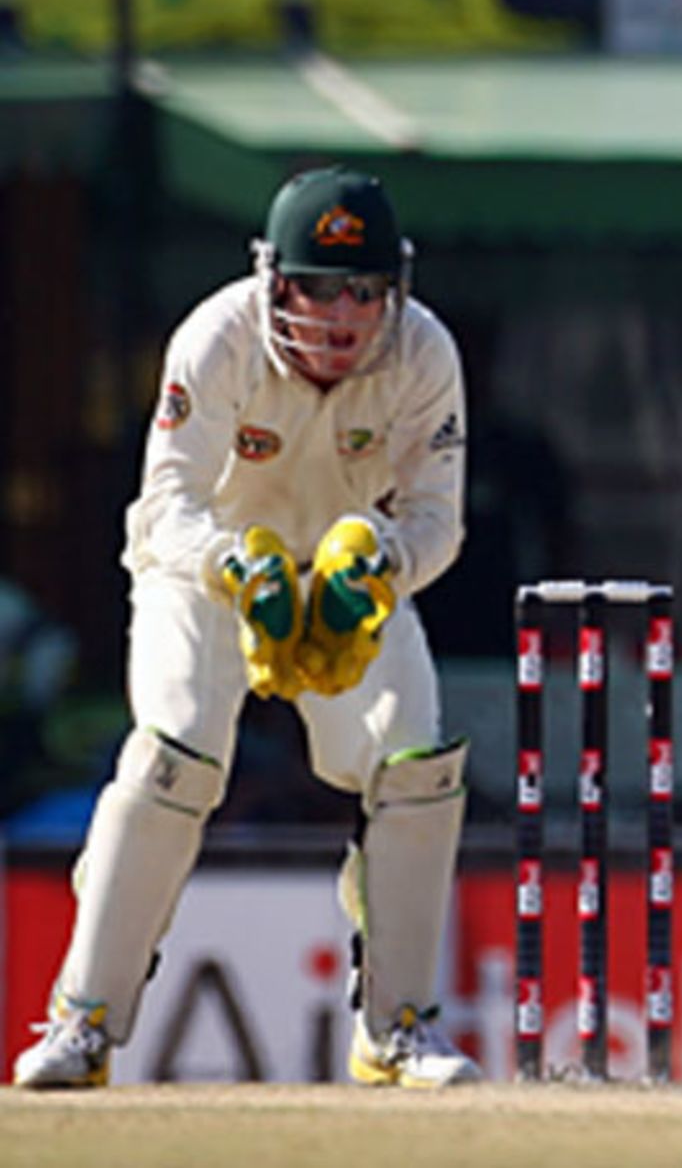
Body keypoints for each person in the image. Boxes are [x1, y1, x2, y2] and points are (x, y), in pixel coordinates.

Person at [13, 165, 481, 1090]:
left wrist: (379, 563)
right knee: (173, 759)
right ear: (275, 280)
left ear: (396, 288)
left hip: (347, 571)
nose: (342, 316)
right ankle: (85, 1022)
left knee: (417, 767)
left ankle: (397, 1024)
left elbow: (440, 519)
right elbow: (171, 497)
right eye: (319, 287)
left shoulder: (423, 352)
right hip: (209, 575)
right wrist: (237, 565)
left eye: (364, 290)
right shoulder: (217, 336)